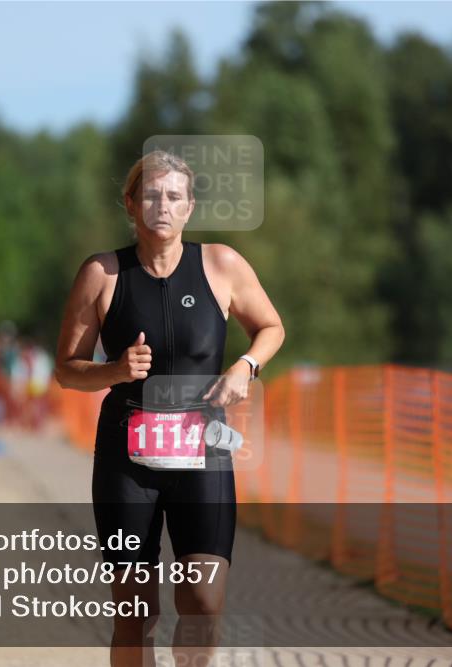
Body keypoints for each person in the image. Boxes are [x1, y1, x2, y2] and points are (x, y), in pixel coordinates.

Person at [54, 150, 285, 666]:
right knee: (135, 612)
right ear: (131, 204)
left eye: (174, 196)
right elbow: (67, 368)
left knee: (203, 604)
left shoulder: (221, 264)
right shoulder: (102, 273)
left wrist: (244, 368)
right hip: (126, 458)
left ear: (189, 208)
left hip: (201, 452)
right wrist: (114, 371)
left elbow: (272, 328)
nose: (163, 205)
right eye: (152, 195)